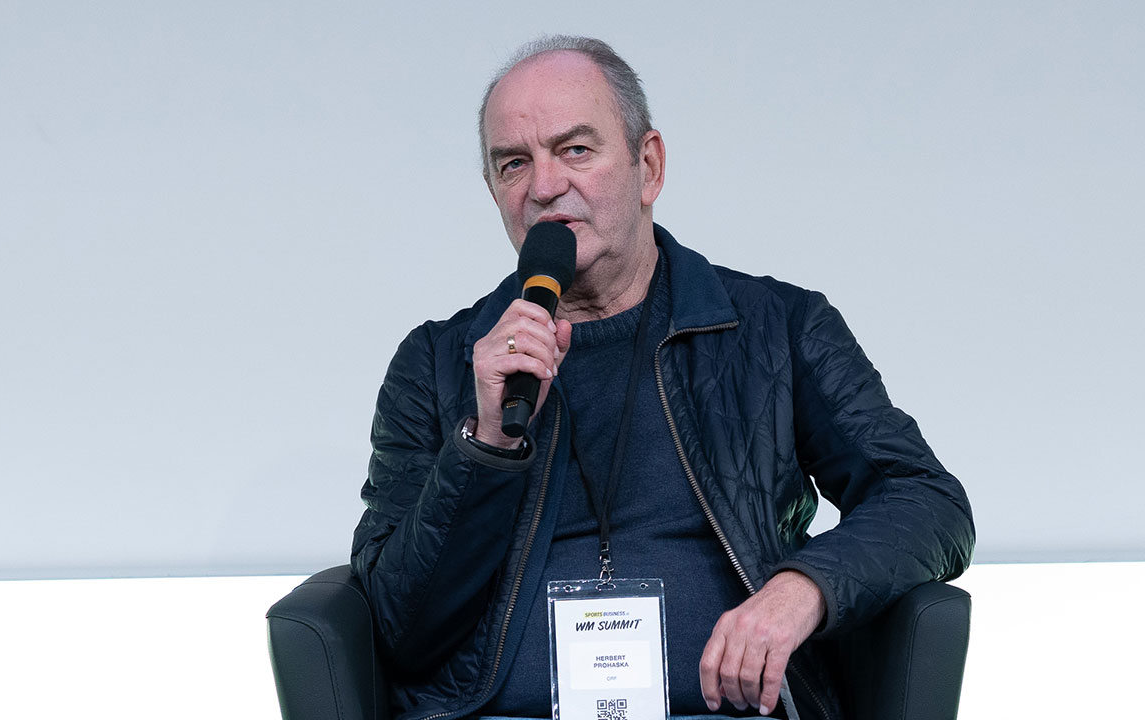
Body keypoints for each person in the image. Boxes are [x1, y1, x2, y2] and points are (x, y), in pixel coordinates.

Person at [352, 35, 974, 720]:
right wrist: (488, 443)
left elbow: (927, 500)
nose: (544, 187)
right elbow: (399, 626)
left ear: (648, 166)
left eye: (575, 150)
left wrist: (802, 587)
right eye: (513, 164)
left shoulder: (776, 329)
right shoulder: (437, 363)